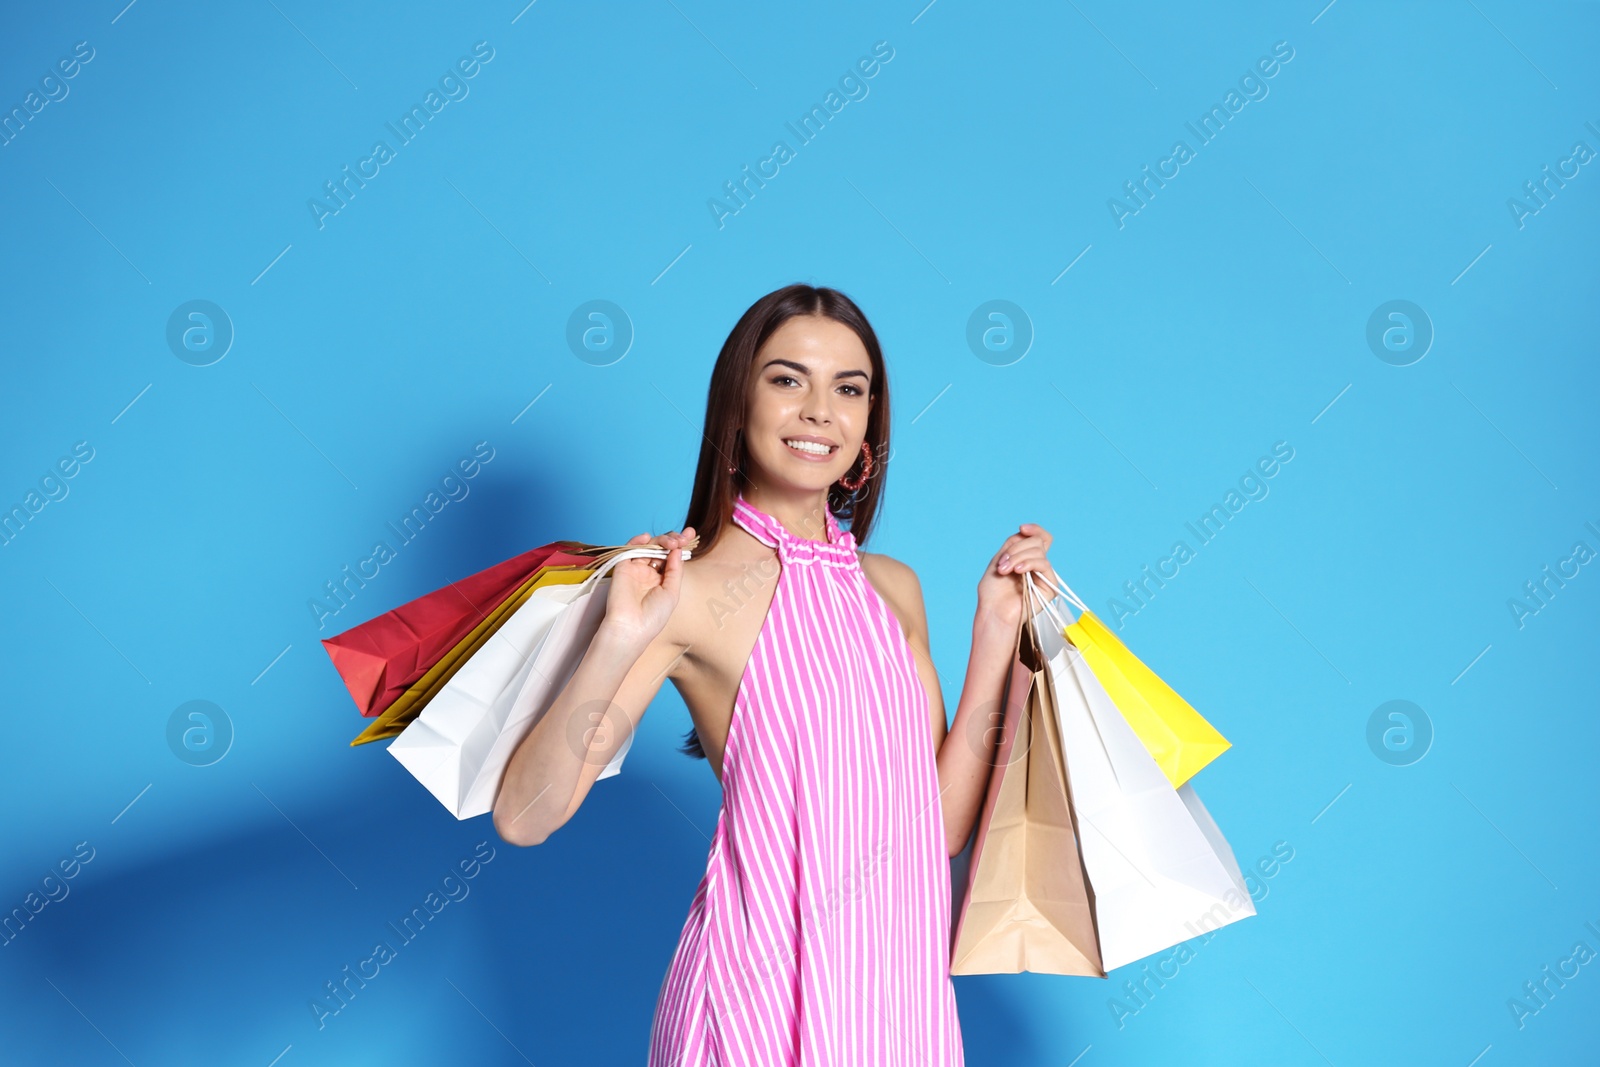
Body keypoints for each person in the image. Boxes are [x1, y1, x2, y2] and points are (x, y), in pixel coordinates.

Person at [492, 283, 1062, 1065]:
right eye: (788, 378)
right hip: (752, 1007)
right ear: (737, 405)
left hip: (897, 1005)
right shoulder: (682, 594)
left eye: (848, 389)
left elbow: (937, 830)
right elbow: (526, 817)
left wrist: (994, 635)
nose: (820, 409)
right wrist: (620, 636)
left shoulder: (894, 588)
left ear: (868, 427)